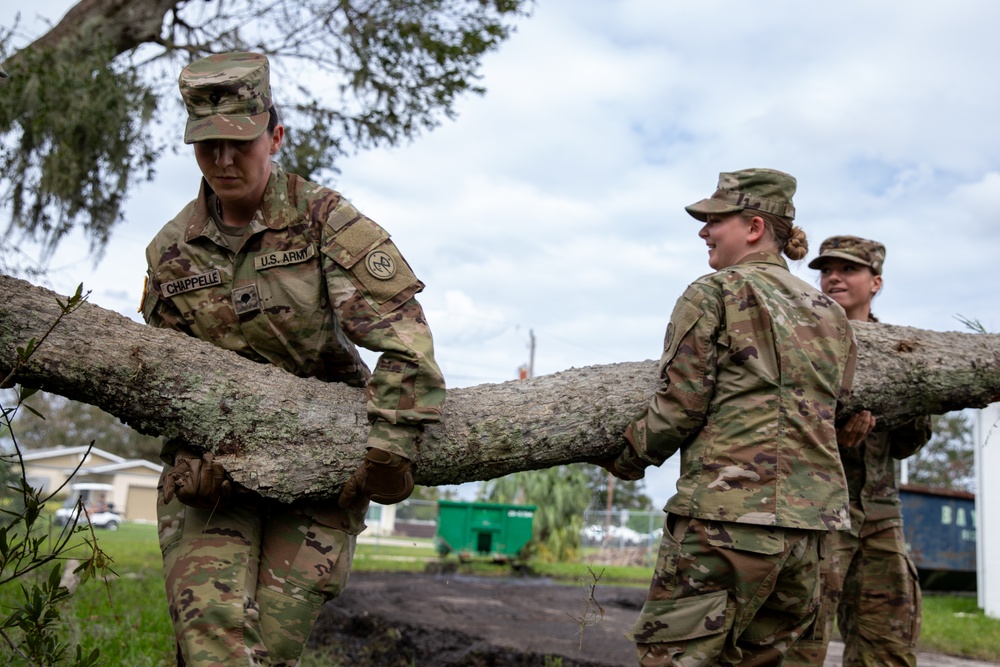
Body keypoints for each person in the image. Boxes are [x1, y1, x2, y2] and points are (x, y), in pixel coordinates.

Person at [140, 52, 446, 666]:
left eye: (240, 143)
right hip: (213, 479)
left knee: (271, 651)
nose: (224, 161)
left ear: (274, 136)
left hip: (320, 472)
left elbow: (407, 345)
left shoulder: (323, 221)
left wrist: (387, 452)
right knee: (213, 642)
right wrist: (185, 449)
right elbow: (156, 381)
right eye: (208, 147)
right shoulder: (171, 251)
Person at [595, 168, 857, 666]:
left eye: (715, 219)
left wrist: (625, 459)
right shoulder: (831, 314)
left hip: (724, 525)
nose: (704, 231)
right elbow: (832, 405)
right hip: (809, 536)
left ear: (754, 227)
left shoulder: (715, 292)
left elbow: (680, 404)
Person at [784, 236, 930, 667]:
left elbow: (910, 444)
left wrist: (894, 412)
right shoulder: (802, 341)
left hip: (881, 518)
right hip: (819, 516)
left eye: (847, 270)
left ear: (876, 282)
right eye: (826, 270)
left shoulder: (899, 349)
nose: (832, 277)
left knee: (886, 645)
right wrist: (831, 437)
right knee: (799, 641)